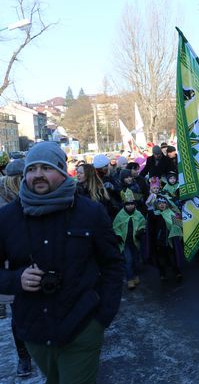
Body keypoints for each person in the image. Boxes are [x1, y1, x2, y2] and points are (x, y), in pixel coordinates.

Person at [0, 142, 123, 383]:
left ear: (61, 170)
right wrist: (17, 279)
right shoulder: (7, 218)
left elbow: (112, 264)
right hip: (34, 330)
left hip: (82, 326)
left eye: (45, 168)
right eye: (32, 169)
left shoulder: (90, 212)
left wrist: (103, 316)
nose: (38, 175)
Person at [0, 159, 33, 377]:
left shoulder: (36, 197)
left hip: (35, 259)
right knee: (19, 316)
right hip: (12, 267)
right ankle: (24, 357)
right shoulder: (3, 204)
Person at [112, 189, 146, 290]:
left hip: (135, 242)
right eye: (127, 204)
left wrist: (140, 231)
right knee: (128, 260)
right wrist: (118, 235)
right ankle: (130, 279)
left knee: (136, 260)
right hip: (125, 242)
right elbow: (115, 226)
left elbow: (143, 223)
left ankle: (135, 275)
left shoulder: (138, 214)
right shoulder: (120, 215)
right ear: (124, 205)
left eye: (132, 204)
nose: (130, 206)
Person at [150, 195, 184, 281]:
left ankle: (177, 271)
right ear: (156, 205)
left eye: (164, 203)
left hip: (171, 239)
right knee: (161, 259)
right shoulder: (155, 215)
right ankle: (162, 273)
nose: (162, 205)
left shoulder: (171, 213)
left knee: (173, 256)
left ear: (167, 204)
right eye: (159, 203)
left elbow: (179, 224)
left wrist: (180, 218)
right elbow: (151, 229)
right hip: (160, 241)